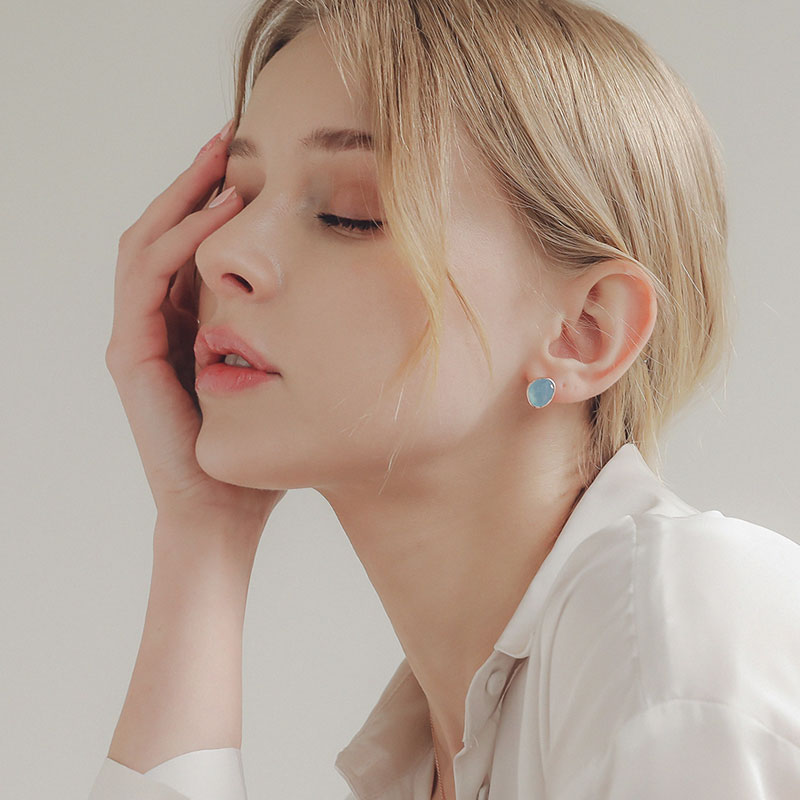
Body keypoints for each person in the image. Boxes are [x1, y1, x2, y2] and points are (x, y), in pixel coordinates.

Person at [89, 1, 800, 799]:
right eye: (238, 194)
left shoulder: (674, 628)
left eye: (350, 214)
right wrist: (202, 532)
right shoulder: (426, 760)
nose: (219, 250)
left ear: (585, 331)